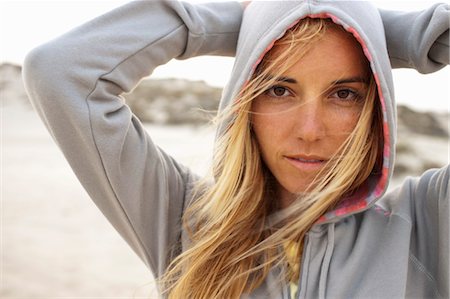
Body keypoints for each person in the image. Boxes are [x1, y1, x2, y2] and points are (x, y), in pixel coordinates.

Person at [23, 1, 449, 298]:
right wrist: (246, 24)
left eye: (343, 94)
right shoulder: (182, 218)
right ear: (245, 98)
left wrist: (398, 34)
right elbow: (59, 70)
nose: (310, 130)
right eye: (280, 89)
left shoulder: (426, 221)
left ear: (374, 105)